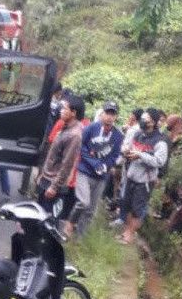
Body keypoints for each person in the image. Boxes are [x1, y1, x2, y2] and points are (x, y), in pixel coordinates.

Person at [69, 101, 124, 235]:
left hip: (102, 176)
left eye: (113, 114)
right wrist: (94, 163)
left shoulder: (118, 135)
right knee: (83, 202)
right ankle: (70, 222)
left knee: (91, 210)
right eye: (107, 113)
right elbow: (81, 147)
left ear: (116, 117)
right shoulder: (91, 128)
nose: (109, 117)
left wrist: (106, 165)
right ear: (102, 113)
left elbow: (115, 155)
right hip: (85, 171)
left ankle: (80, 238)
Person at [117, 108, 168, 244]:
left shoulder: (160, 141)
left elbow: (159, 161)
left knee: (137, 209)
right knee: (127, 205)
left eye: (146, 119)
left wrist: (140, 155)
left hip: (145, 180)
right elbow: (128, 147)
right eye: (143, 118)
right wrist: (126, 151)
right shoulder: (139, 134)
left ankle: (129, 235)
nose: (143, 121)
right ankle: (126, 232)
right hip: (131, 175)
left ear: (154, 122)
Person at [36, 96, 85, 219]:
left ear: (73, 113)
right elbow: (53, 156)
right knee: (38, 214)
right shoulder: (65, 127)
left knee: (47, 220)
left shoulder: (75, 135)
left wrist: (54, 187)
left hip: (54, 184)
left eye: (65, 108)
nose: (61, 110)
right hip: (48, 178)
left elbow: (67, 165)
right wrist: (43, 173)